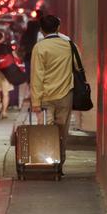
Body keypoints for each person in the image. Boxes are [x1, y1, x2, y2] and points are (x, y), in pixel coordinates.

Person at [30, 14, 78, 169]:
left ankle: (47, 163)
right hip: (65, 95)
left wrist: (35, 102)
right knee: (62, 132)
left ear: (42, 30)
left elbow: (37, 76)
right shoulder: (69, 45)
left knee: (46, 131)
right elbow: (78, 65)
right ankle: (59, 164)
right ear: (58, 28)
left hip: (46, 97)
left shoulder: (39, 48)